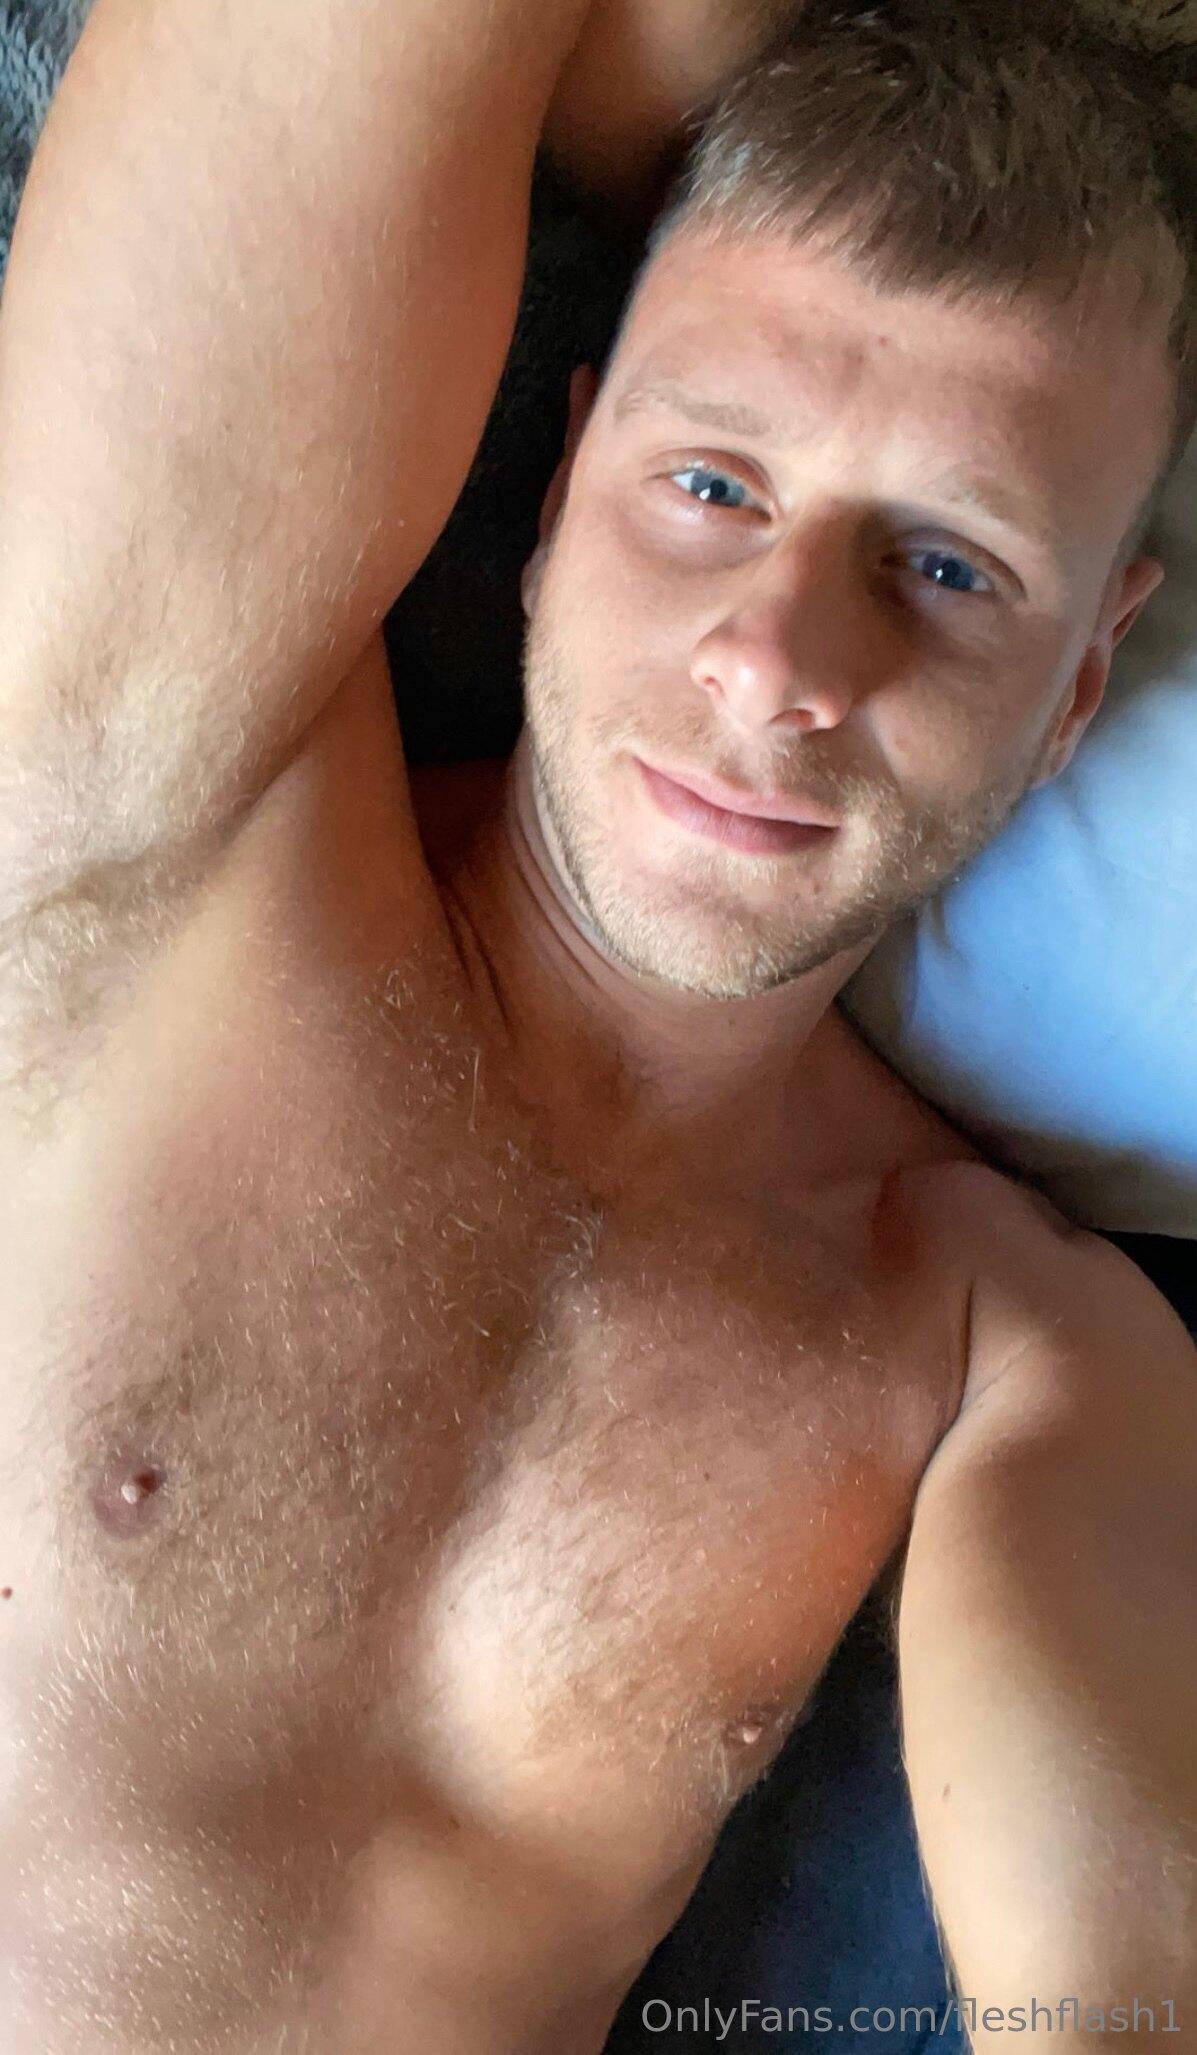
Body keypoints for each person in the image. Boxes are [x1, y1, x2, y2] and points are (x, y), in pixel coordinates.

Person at [0, 0, 1194, 2047]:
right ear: (557, 489)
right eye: (711, 485)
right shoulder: (164, 844)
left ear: (1080, 684)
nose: (780, 662)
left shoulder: (1004, 1339)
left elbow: (1108, 1995)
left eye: (942, 565)